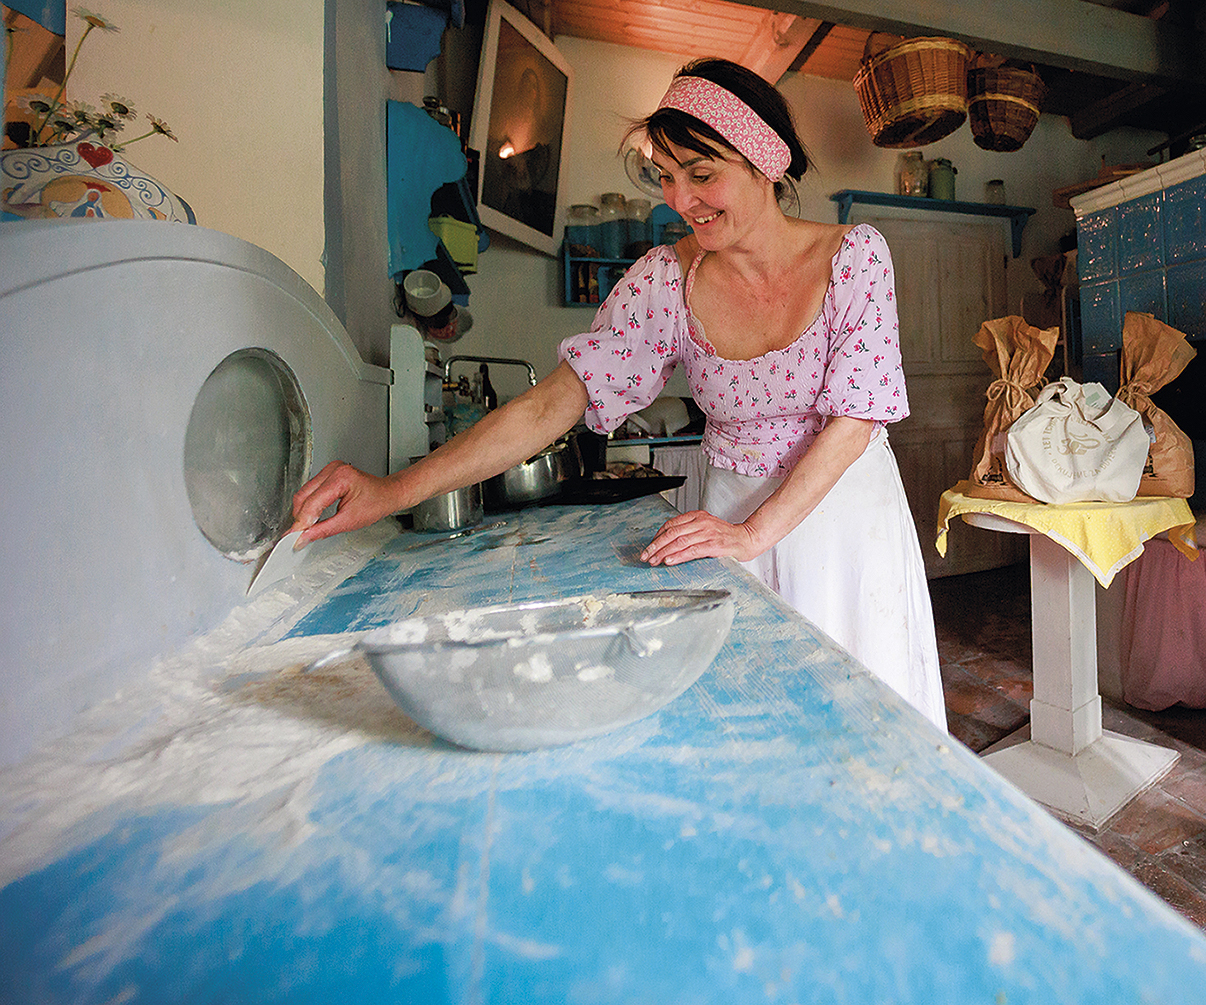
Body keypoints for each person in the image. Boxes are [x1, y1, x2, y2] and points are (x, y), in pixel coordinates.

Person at [290, 58, 947, 728]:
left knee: (861, 720)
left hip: (840, 523)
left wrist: (754, 532)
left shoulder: (854, 257)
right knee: (751, 719)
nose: (681, 199)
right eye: (667, 176)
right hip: (726, 519)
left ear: (766, 161)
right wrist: (392, 491)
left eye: (702, 172)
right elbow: (553, 404)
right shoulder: (666, 281)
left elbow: (854, 421)